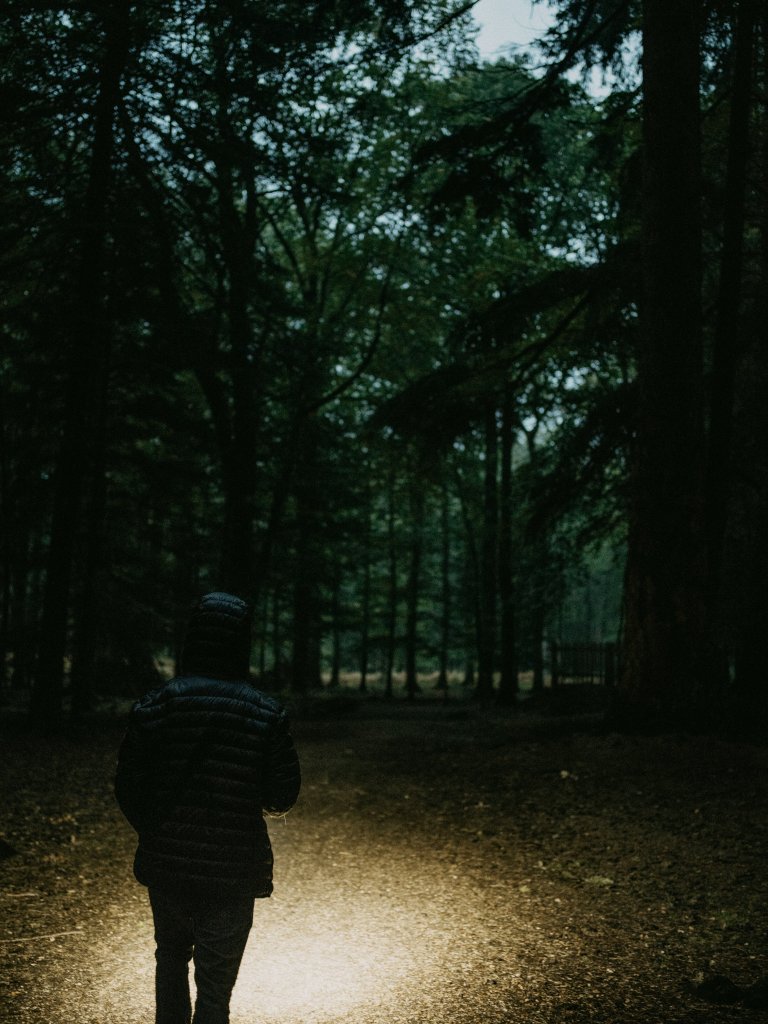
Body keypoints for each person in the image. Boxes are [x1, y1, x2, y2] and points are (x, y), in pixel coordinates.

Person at [115, 591, 301, 1024]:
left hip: (169, 862)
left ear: (192, 639)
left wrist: (156, 829)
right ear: (241, 642)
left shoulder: (156, 704)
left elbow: (128, 784)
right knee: (216, 988)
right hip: (233, 866)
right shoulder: (266, 712)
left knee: (171, 956)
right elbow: (282, 794)